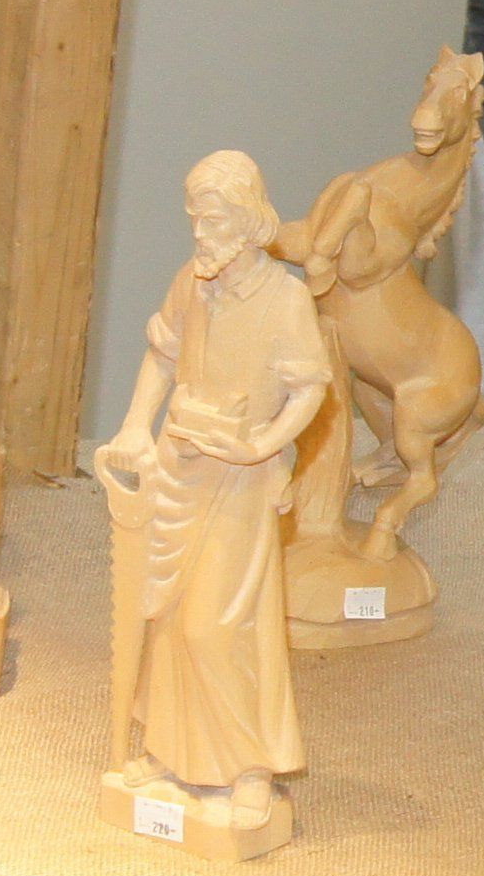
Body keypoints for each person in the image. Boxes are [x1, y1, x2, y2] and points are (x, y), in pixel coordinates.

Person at [94, 151, 332, 830]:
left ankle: (249, 767)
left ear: (249, 219)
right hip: (179, 470)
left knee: (218, 626)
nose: (201, 233)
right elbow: (163, 354)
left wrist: (261, 445)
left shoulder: (285, 299)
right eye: (195, 218)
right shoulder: (192, 283)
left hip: (240, 482)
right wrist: (136, 426)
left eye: (214, 219)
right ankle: (174, 754)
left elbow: (310, 387)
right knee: (168, 618)